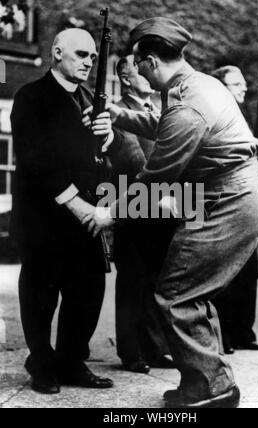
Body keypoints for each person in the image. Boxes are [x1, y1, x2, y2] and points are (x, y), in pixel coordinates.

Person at [83, 18, 258, 408]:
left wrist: (109, 213)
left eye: (138, 66)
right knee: (192, 292)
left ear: (149, 61)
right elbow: (159, 124)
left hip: (226, 202)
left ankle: (212, 390)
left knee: (176, 293)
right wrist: (116, 113)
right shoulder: (199, 84)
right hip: (230, 196)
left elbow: (154, 177)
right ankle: (209, 382)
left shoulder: (187, 106)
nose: (140, 75)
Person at [10, 29, 115, 394]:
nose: (89, 62)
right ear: (57, 52)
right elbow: (36, 161)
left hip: (83, 219)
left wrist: (107, 135)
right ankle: (41, 363)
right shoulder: (31, 97)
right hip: (43, 219)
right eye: (81, 54)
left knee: (87, 292)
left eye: (92, 57)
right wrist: (79, 205)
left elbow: (96, 158)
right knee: (41, 293)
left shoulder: (89, 99)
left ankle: (71, 361)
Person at [110, 55, 174, 373]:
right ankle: (130, 352)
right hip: (134, 209)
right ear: (124, 78)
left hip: (161, 212)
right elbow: (133, 158)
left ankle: (155, 348)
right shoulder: (119, 112)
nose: (150, 77)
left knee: (154, 281)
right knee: (132, 283)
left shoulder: (158, 113)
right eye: (141, 73)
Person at [211, 65, 258, 353]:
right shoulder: (217, 114)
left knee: (248, 272)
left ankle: (243, 332)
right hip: (223, 202)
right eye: (237, 84)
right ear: (222, 87)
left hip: (246, 201)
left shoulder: (241, 116)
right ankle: (227, 335)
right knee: (226, 275)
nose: (243, 88)